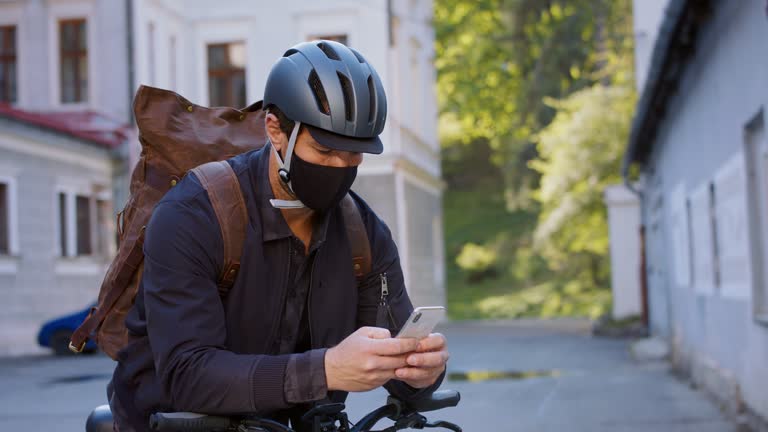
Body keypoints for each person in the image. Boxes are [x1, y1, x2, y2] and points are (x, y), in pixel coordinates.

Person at [108, 40, 450, 432]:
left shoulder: (364, 233)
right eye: (324, 150)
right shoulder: (191, 215)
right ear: (276, 130)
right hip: (171, 423)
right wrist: (325, 370)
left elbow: (396, 361)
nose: (340, 167)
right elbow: (187, 375)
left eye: (354, 155)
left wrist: (421, 372)